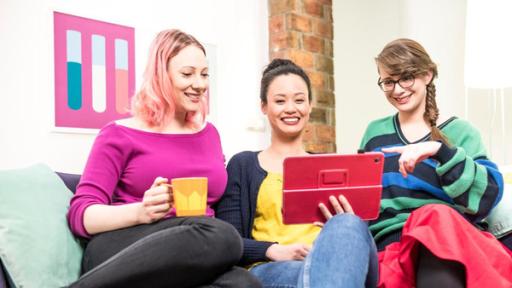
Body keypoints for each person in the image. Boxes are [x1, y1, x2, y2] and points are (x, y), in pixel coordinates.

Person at [66, 29, 261, 288]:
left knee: (244, 283)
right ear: (161, 75)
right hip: (124, 247)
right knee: (222, 235)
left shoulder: (209, 134)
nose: (199, 84)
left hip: (192, 254)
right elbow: (81, 216)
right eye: (187, 74)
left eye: (204, 74)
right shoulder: (119, 134)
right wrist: (141, 211)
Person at [360, 38, 512, 288]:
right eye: (389, 82)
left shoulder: (461, 132)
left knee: (432, 215)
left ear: (427, 75)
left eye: (406, 77)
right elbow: (363, 200)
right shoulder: (375, 133)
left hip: (449, 244)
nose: (398, 90)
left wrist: (441, 152)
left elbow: (488, 195)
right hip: (392, 250)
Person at [215, 58, 378, 288]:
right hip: (271, 268)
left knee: (348, 225)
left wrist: (345, 220)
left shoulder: (331, 166)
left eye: (299, 100)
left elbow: (353, 247)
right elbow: (227, 242)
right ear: (264, 106)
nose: (291, 108)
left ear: (310, 105)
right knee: (309, 275)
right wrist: (273, 250)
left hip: (332, 261)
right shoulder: (243, 165)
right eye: (280, 101)